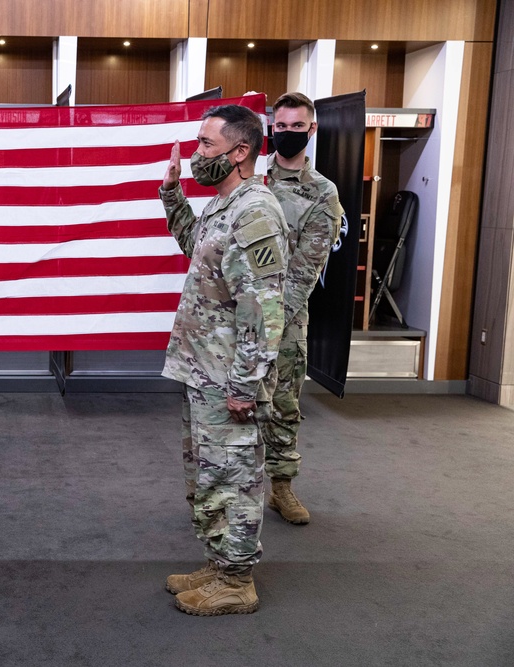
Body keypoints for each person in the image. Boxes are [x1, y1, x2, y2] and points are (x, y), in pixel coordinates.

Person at [159, 104, 288, 616]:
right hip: (204, 370)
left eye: (206, 146)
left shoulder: (256, 212)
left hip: (229, 376)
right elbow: (196, 247)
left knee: (235, 475)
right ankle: (218, 563)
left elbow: (264, 311)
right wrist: (172, 194)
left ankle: (237, 582)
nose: (197, 154)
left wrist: (244, 385)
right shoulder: (223, 203)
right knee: (209, 474)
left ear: (240, 152)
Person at [262, 92, 344, 525]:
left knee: (283, 405)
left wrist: (270, 322)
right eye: (281, 126)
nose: (288, 133)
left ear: (312, 130)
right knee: (230, 405)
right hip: (235, 318)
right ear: (270, 128)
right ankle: (226, 492)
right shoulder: (251, 180)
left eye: (297, 127)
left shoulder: (321, 193)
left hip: (286, 321)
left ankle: (281, 488)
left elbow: (307, 269)